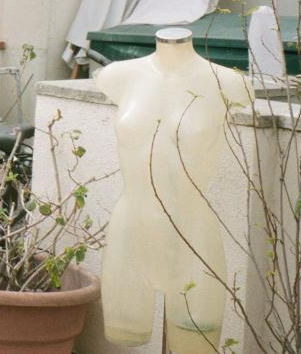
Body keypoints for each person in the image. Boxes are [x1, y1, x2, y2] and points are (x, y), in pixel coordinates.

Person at [96, 27, 252, 354]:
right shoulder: (119, 76)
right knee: (126, 339)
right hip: (130, 234)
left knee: (195, 348)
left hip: (193, 237)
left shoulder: (227, 82)